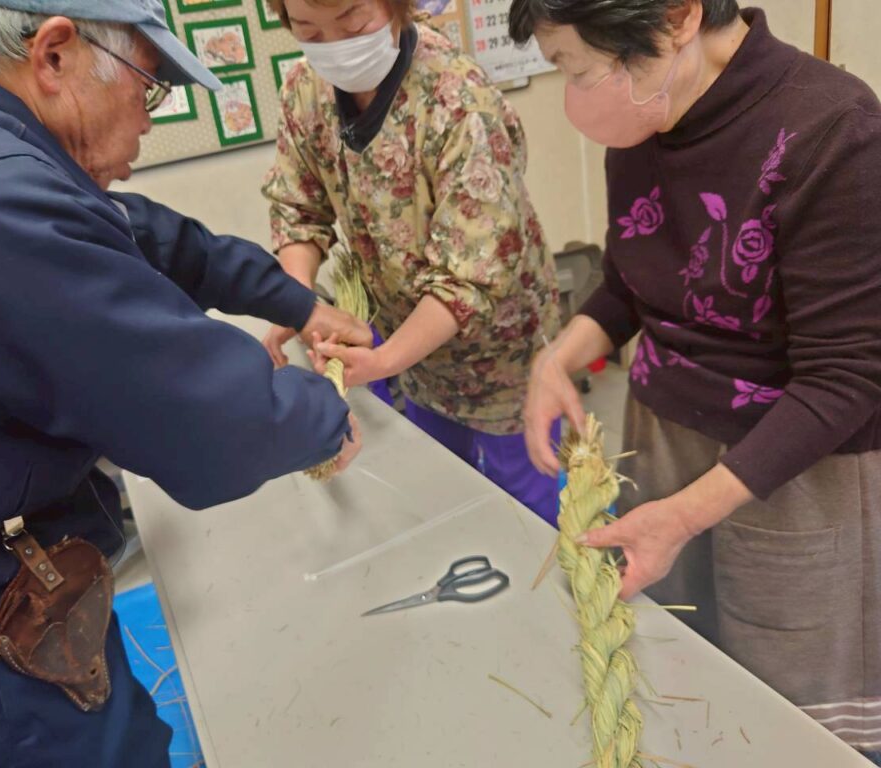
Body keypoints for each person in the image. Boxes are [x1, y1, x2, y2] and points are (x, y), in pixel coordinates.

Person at [0, 0, 373, 765]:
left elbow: (141, 234)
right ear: (56, 55)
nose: (149, 120)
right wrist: (321, 410)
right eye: (149, 86)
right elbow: (208, 425)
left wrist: (296, 301)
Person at [510, 0, 881, 759]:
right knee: (680, 662)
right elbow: (629, 283)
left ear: (676, 17)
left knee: (784, 706)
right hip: (662, 440)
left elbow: (845, 378)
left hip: (789, 466)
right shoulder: (649, 112)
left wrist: (687, 515)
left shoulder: (831, 129)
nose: (574, 96)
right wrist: (559, 355)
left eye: (578, 69)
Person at [261, 0, 563, 522]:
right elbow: (298, 207)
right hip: (413, 350)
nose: (333, 44)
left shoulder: (457, 99)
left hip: (503, 355)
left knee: (529, 514)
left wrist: (383, 360)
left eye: (353, 19)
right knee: (441, 492)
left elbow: (468, 277)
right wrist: (295, 297)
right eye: (308, 28)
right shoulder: (305, 91)